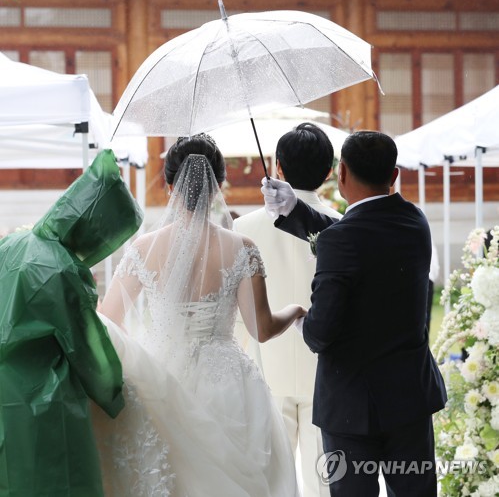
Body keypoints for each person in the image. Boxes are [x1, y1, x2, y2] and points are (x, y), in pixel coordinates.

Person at [97, 133, 304, 496]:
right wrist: (295, 310)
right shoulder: (242, 248)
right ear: (217, 185)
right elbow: (262, 329)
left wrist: (141, 354)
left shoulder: (144, 248)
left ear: (170, 186)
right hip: (226, 383)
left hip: (161, 375)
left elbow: (107, 320)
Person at [262, 130, 447, 497]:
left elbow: (320, 333)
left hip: (350, 406)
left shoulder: (342, 240)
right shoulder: (415, 223)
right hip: (409, 398)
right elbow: (358, 236)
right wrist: (294, 211)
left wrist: (300, 320)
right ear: (393, 175)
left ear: (342, 172)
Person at [0, 149, 143, 496]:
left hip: (5, 391)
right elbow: (86, 344)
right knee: (55, 481)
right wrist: (115, 395)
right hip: (44, 400)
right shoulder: (62, 269)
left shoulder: (12, 243)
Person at [233, 123, 341, 497]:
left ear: (277, 167)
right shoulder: (343, 228)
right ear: (330, 171)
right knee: (325, 481)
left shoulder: (243, 228)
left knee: (272, 483)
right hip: (325, 371)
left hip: (266, 367)